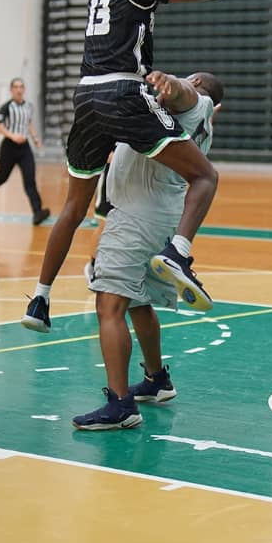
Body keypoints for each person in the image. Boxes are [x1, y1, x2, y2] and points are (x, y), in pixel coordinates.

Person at [22, 0, 220, 334]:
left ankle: (40, 297)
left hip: (86, 95)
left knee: (74, 207)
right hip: (121, 90)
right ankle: (178, 253)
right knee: (204, 176)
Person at [72, 68, 223, 430]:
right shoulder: (184, 119)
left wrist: (170, 82)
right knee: (137, 303)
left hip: (137, 216)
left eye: (193, 78)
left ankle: (120, 404)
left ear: (200, 84)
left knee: (109, 304)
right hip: (162, 214)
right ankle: (157, 380)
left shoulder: (193, 100)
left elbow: (182, 91)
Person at [0, 78, 50, 226]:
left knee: (30, 180)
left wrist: (35, 138)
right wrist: (12, 136)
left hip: (24, 148)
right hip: (9, 147)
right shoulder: (6, 107)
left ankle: (37, 212)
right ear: (11, 90)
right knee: (2, 177)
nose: (19, 90)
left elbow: (28, 123)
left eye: (21, 87)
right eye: (16, 87)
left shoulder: (29, 106)